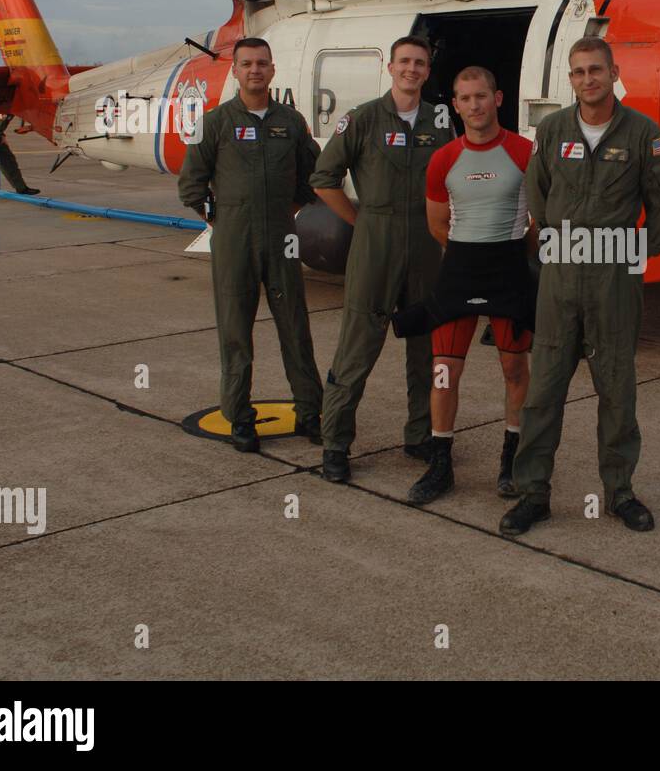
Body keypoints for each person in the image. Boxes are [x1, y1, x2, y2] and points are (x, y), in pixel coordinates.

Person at [499, 37, 660, 537]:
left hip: (613, 280)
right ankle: (533, 492)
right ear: (571, 78)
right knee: (544, 392)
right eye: (577, 72)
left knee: (617, 390)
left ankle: (620, 492)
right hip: (561, 277)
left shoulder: (644, 133)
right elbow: (537, 192)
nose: (586, 79)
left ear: (613, 71)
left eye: (595, 70)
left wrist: (639, 251)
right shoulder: (553, 129)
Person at [309, 36, 454, 482]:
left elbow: (453, 176)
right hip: (376, 245)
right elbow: (323, 178)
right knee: (357, 349)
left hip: (427, 246)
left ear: (428, 72)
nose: (412, 69)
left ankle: (420, 434)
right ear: (390, 67)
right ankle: (335, 444)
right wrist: (360, 220)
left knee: (426, 351)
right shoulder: (363, 118)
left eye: (420, 63)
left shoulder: (441, 119)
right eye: (404, 62)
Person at [391, 66, 536, 504]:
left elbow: (539, 219)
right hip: (458, 270)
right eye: (465, 98)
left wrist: (505, 250)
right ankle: (441, 465)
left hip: (510, 269)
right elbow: (438, 224)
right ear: (455, 105)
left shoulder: (525, 151)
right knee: (444, 373)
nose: (474, 105)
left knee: (514, 370)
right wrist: (471, 253)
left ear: (498, 98)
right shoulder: (444, 159)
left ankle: (512, 458)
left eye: (481, 96)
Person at [177, 37, 324, 453]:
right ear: (236, 71)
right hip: (234, 243)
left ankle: (310, 411)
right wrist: (222, 221)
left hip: (282, 240)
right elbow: (191, 185)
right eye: (247, 64)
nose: (255, 70)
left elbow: (309, 178)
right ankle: (240, 417)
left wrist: (283, 214)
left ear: (272, 70)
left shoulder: (291, 123)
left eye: (262, 63)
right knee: (236, 333)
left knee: (295, 327)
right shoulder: (215, 122)